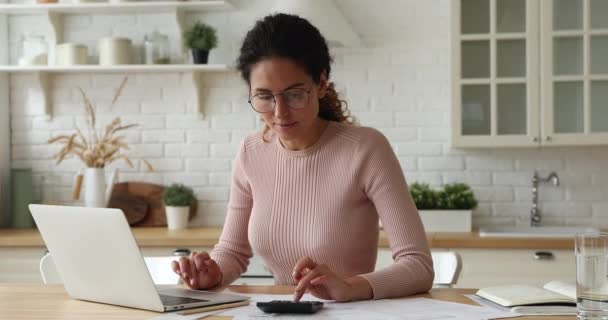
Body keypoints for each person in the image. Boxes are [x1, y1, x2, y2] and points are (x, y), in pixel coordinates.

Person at [171, 13, 434, 302]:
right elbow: (232, 252)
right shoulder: (251, 152)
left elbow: (417, 265)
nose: (280, 112)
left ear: (321, 83)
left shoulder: (366, 149)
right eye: (264, 97)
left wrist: (350, 288)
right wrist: (212, 274)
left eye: (295, 95)